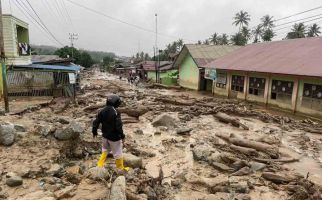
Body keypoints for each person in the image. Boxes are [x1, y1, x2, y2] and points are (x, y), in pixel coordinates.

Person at [92, 94, 129, 171]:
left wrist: (94, 132)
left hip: (105, 136)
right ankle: (120, 168)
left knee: (105, 149)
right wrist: (122, 136)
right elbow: (118, 126)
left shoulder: (101, 110)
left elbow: (96, 122)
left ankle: (99, 165)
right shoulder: (116, 112)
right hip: (114, 138)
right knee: (118, 153)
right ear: (116, 103)